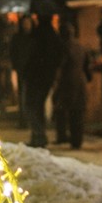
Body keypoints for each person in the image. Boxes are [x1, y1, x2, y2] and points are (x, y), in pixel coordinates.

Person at [21, 16, 63, 148]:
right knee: (37, 107)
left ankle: (38, 135)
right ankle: (39, 135)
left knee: (32, 106)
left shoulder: (38, 37)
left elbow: (32, 58)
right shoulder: (53, 36)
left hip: (36, 78)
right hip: (45, 78)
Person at [52, 21, 92, 148]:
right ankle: (76, 140)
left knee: (61, 110)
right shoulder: (80, 47)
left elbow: (60, 65)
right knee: (77, 113)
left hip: (67, 82)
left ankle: (62, 136)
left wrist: (56, 81)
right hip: (80, 82)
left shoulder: (63, 47)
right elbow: (87, 67)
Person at [9, 15, 35, 129]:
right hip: (22, 70)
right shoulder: (18, 38)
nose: (26, 25)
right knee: (22, 96)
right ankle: (23, 120)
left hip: (32, 71)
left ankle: (30, 119)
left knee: (30, 96)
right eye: (25, 23)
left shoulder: (34, 38)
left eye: (28, 23)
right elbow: (13, 52)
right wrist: (16, 65)